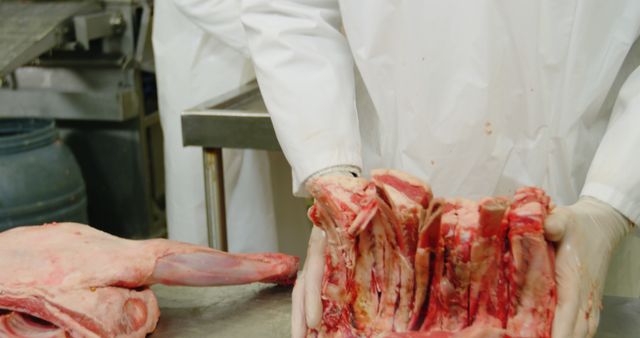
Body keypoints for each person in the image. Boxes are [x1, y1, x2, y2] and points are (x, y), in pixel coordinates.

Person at [239, 1, 640, 337]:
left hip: (578, 218)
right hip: (382, 231)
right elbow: (289, 11)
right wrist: (331, 173)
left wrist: (612, 200)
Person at [152, 0, 278, 253]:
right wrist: (277, 38)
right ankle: (203, 292)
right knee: (200, 212)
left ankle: (261, 286)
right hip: (199, 67)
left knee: (252, 203)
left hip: (250, 63)